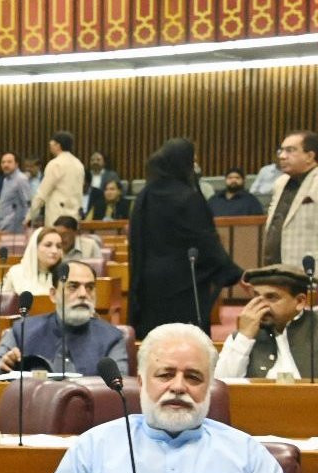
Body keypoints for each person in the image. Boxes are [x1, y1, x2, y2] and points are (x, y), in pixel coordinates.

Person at [32, 322, 306, 473]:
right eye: (165, 374)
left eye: (193, 377)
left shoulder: (248, 454)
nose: (178, 387)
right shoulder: (94, 445)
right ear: (141, 382)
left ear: (209, 386)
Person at [128, 138, 242, 339]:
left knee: (156, 343)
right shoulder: (188, 197)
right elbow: (206, 241)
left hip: (149, 284)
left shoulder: (144, 196)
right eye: (193, 160)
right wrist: (234, 272)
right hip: (184, 285)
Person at [0, 260, 124, 375]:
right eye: (73, 286)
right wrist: (4, 366)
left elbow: (119, 385)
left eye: (90, 287)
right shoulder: (24, 330)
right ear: (53, 294)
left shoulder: (112, 338)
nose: (83, 294)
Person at [214, 263, 316, 380]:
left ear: (300, 301)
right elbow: (221, 385)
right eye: (257, 296)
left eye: (272, 297)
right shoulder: (242, 336)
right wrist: (244, 337)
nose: (261, 305)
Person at [262, 130, 318, 265]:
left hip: (309, 273)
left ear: (310, 156)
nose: (282, 156)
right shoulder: (280, 183)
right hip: (276, 270)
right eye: (281, 151)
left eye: (290, 150)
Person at [26, 131, 85, 228]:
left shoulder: (55, 164)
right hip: (74, 216)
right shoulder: (79, 164)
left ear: (58, 145)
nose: (50, 146)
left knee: (55, 241)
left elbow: (42, 193)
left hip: (57, 215)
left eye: (52, 143)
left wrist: (29, 216)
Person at [0, 228, 64, 296]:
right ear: (35, 247)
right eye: (48, 245)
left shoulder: (65, 276)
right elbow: (0, 302)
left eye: (59, 246)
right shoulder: (16, 272)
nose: (54, 251)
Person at [0, 152, 32, 233]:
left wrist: (26, 222)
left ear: (16, 164)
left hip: (15, 227)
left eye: (9, 162)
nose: (5, 165)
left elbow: (27, 204)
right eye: (3, 162)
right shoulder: (5, 180)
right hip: (2, 225)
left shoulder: (21, 179)